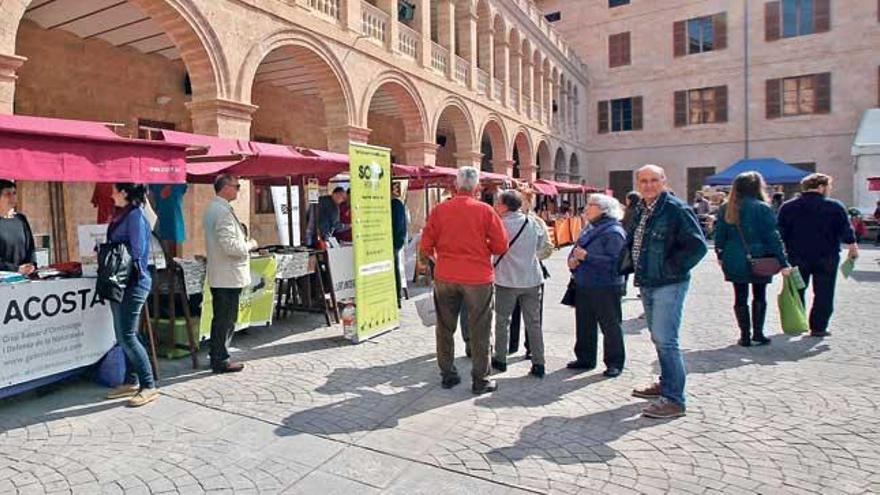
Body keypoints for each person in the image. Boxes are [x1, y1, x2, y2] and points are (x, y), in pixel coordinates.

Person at [623, 165, 707, 419]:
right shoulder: (642, 208)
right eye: (643, 181)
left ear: (664, 181)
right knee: (658, 338)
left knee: (666, 339)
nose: (648, 185)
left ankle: (674, 399)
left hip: (668, 283)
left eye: (654, 180)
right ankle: (666, 383)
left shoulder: (675, 209)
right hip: (648, 281)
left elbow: (698, 246)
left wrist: (670, 268)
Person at [420, 166, 508, 394]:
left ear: (455, 186)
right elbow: (500, 246)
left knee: (444, 327)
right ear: (477, 187)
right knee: (481, 327)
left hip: (446, 274)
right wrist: (481, 248)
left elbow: (425, 245)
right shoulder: (485, 211)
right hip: (477, 277)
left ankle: (448, 374)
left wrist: (439, 258)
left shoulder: (440, 210)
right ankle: (481, 379)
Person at [713, 172, 791, 347]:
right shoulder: (762, 207)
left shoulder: (727, 207)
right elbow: (773, 237)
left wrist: (720, 255)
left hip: (733, 256)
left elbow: (720, 235)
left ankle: (744, 335)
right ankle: (758, 333)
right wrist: (783, 261)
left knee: (740, 296)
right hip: (760, 256)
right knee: (760, 295)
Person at [777, 173, 858, 337]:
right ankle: (819, 327)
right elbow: (845, 229)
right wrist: (852, 245)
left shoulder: (788, 206)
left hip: (797, 256)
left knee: (797, 289)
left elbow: (780, 232)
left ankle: (797, 322)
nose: (829, 190)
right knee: (824, 291)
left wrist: (781, 255)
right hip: (827, 256)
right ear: (821, 187)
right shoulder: (834, 206)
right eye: (829, 186)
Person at [103, 183, 158, 407]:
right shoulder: (121, 214)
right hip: (119, 283)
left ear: (125, 193)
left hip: (133, 284)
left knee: (127, 335)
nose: (111, 193)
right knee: (123, 334)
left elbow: (136, 253)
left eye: (114, 190)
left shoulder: (135, 215)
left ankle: (149, 385)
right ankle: (131, 380)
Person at [567, 194, 627, 377]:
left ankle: (614, 362)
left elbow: (617, 262)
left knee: (610, 325)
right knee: (584, 322)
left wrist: (587, 257)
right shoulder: (591, 227)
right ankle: (585, 357)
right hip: (585, 283)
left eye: (590, 205)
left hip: (606, 285)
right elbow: (577, 248)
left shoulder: (614, 232)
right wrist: (572, 260)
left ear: (603, 209)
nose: (586, 208)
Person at [203, 174, 258, 373]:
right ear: (225, 187)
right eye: (237, 186)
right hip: (227, 275)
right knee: (226, 319)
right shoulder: (222, 211)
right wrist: (250, 245)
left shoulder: (215, 208)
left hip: (222, 273)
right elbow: (231, 247)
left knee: (221, 318)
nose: (238, 189)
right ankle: (221, 359)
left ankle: (217, 354)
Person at [491, 190, 548, 378]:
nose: (495, 205)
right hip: (532, 278)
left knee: (502, 321)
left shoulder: (499, 225)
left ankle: (500, 359)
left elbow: (492, 249)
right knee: (534, 322)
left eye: (498, 202)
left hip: (507, 280)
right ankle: (539, 362)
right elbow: (541, 246)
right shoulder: (532, 222)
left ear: (505, 206)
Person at [508, 190, 554, 358]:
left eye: (525, 200)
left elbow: (548, 247)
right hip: (511, 272)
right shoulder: (505, 220)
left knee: (533, 315)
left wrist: (532, 257)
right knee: (510, 312)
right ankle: (510, 344)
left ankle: (531, 347)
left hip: (532, 272)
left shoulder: (536, 222)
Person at [0, 179, 36, 275]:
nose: (12, 197)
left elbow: (30, 247)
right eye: (7, 194)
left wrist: (31, 265)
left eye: (14, 193)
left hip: (24, 278)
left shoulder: (20, 219)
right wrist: (16, 269)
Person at [391, 181, 408, 304]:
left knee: (394, 267)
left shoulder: (396, 204)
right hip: (396, 241)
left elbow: (398, 225)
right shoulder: (397, 203)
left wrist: (396, 242)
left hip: (394, 242)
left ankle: (397, 295)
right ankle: (396, 295)